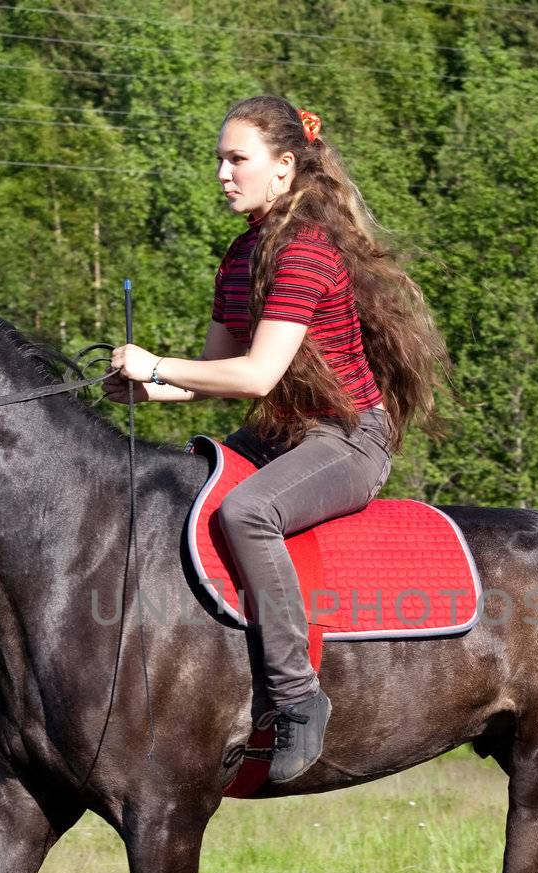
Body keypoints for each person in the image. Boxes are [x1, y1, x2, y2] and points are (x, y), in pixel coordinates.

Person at [108, 95, 451, 784]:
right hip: (275, 434)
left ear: (286, 167)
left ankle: (298, 699)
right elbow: (217, 375)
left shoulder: (307, 253)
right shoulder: (239, 259)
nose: (223, 174)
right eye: (219, 161)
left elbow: (257, 372)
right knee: (179, 490)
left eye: (238, 160)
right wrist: (149, 386)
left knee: (247, 512)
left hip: (347, 440)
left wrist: (158, 364)